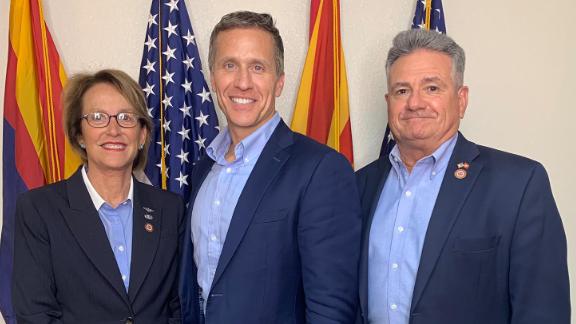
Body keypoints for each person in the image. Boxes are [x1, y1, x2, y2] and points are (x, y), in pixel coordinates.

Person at [356, 29, 570, 324]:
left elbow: (543, 312)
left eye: (432, 88)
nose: (415, 103)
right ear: (388, 101)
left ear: (461, 99)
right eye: (402, 91)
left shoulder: (518, 185)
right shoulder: (360, 185)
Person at [178, 11, 361, 324]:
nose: (243, 82)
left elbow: (331, 308)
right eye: (229, 65)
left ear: (279, 83)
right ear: (212, 77)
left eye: (257, 67)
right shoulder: (203, 167)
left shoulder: (321, 170)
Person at [12, 69, 183, 324]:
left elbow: (178, 307)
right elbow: (36, 315)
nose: (113, 130)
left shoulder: (170, 209)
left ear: (142, 135)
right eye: (98, 117)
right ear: (79, 134)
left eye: (126, 117)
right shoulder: (39, 210)